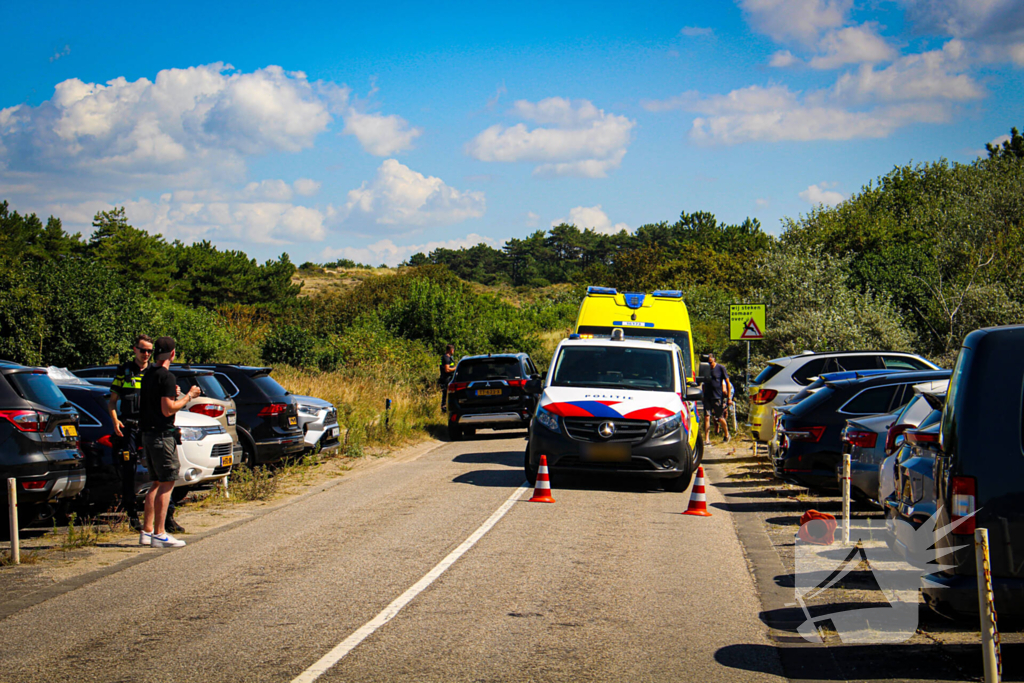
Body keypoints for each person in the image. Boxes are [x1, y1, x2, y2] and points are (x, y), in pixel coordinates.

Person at [139, 337, 200, 548]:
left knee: (155, 482)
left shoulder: (148, 374)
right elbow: (168, 409)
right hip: (162, 435)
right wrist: (188, 397)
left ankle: (147, 531)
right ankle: (160, 533)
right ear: (173, 354)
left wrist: (170, 395)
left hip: (147, 434)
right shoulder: (166, 376)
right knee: (167, 483)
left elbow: (158, 400)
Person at [108, 335, 153, 530]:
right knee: (129, 470)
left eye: (149, 351)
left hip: (149, 426)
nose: (146, 354)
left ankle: (166, 516)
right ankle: (132, 515)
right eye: (142, 350)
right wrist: (115, 420)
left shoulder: (155, 372)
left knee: (159, 470)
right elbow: (111, 401)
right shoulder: (124, 371)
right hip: (129, 427)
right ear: (134, 349)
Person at [702, 352, 733, 443]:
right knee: (707, 417)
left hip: (717, 396)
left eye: (711, 362)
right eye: (708, 363)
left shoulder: (720, 368)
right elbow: (703, 382)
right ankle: (707, 439)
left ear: (714, 360)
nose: (710, 364)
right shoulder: (705, 369)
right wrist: (703, 395)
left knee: (720, 417)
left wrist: (729, 397)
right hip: (707, 396)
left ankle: (727, 435)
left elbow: (727, 382)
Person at [439, 344, 456, 412]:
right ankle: (444, 409)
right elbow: (447, 369)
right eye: (453, 350)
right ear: (451, 350)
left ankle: (448, 408)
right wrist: (455, 368)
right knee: (446, 394)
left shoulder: (448, 358)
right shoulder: (446, 358)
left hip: (448, 378)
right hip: (446, 379)